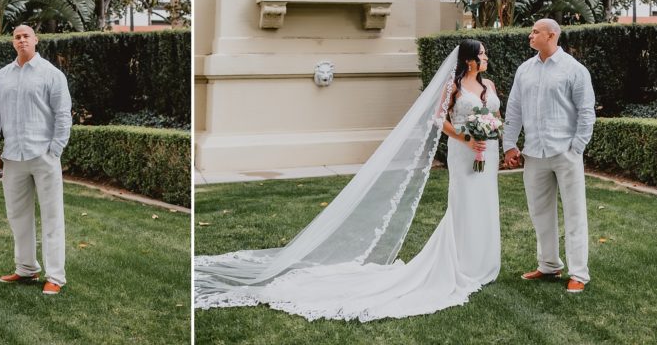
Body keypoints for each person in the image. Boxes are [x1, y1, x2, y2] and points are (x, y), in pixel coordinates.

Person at [194, 40, 502, 322]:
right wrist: (465, 138)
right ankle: (461, 263)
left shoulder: (488, 84)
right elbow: (438, 118)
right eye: (483, 54)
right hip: (464, 152)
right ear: (470, 60)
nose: (486, 57)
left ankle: (482, 261)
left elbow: (494, 117)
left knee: (486, 203)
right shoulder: (454, 86)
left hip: (486, 153)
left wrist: (491, 134)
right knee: (463, 204)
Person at [503, 18, 595, 294]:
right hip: (534, 153)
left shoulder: (574, 70)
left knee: (575, 214)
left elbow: (586, 112)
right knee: (539, 212)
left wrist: (576, 147)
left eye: (535, 32)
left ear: (551, 35)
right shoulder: (524, 70)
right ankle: (549, 265)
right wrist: (509, 144)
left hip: (565, 152)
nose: (530, 35)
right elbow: (514, 108)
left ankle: (578, 273)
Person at [0, 25, 71, 295]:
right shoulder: (2, 76)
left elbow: (63, 115)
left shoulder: (52, 74)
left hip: (43, 156)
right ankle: (26, 268)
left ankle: (55, 276)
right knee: (17, 216)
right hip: (13, 157)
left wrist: (54, 150)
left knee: (52, 216)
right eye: (17, 37)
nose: (21, 40)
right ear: (13, 42)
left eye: (26, 36)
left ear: (35, 40)